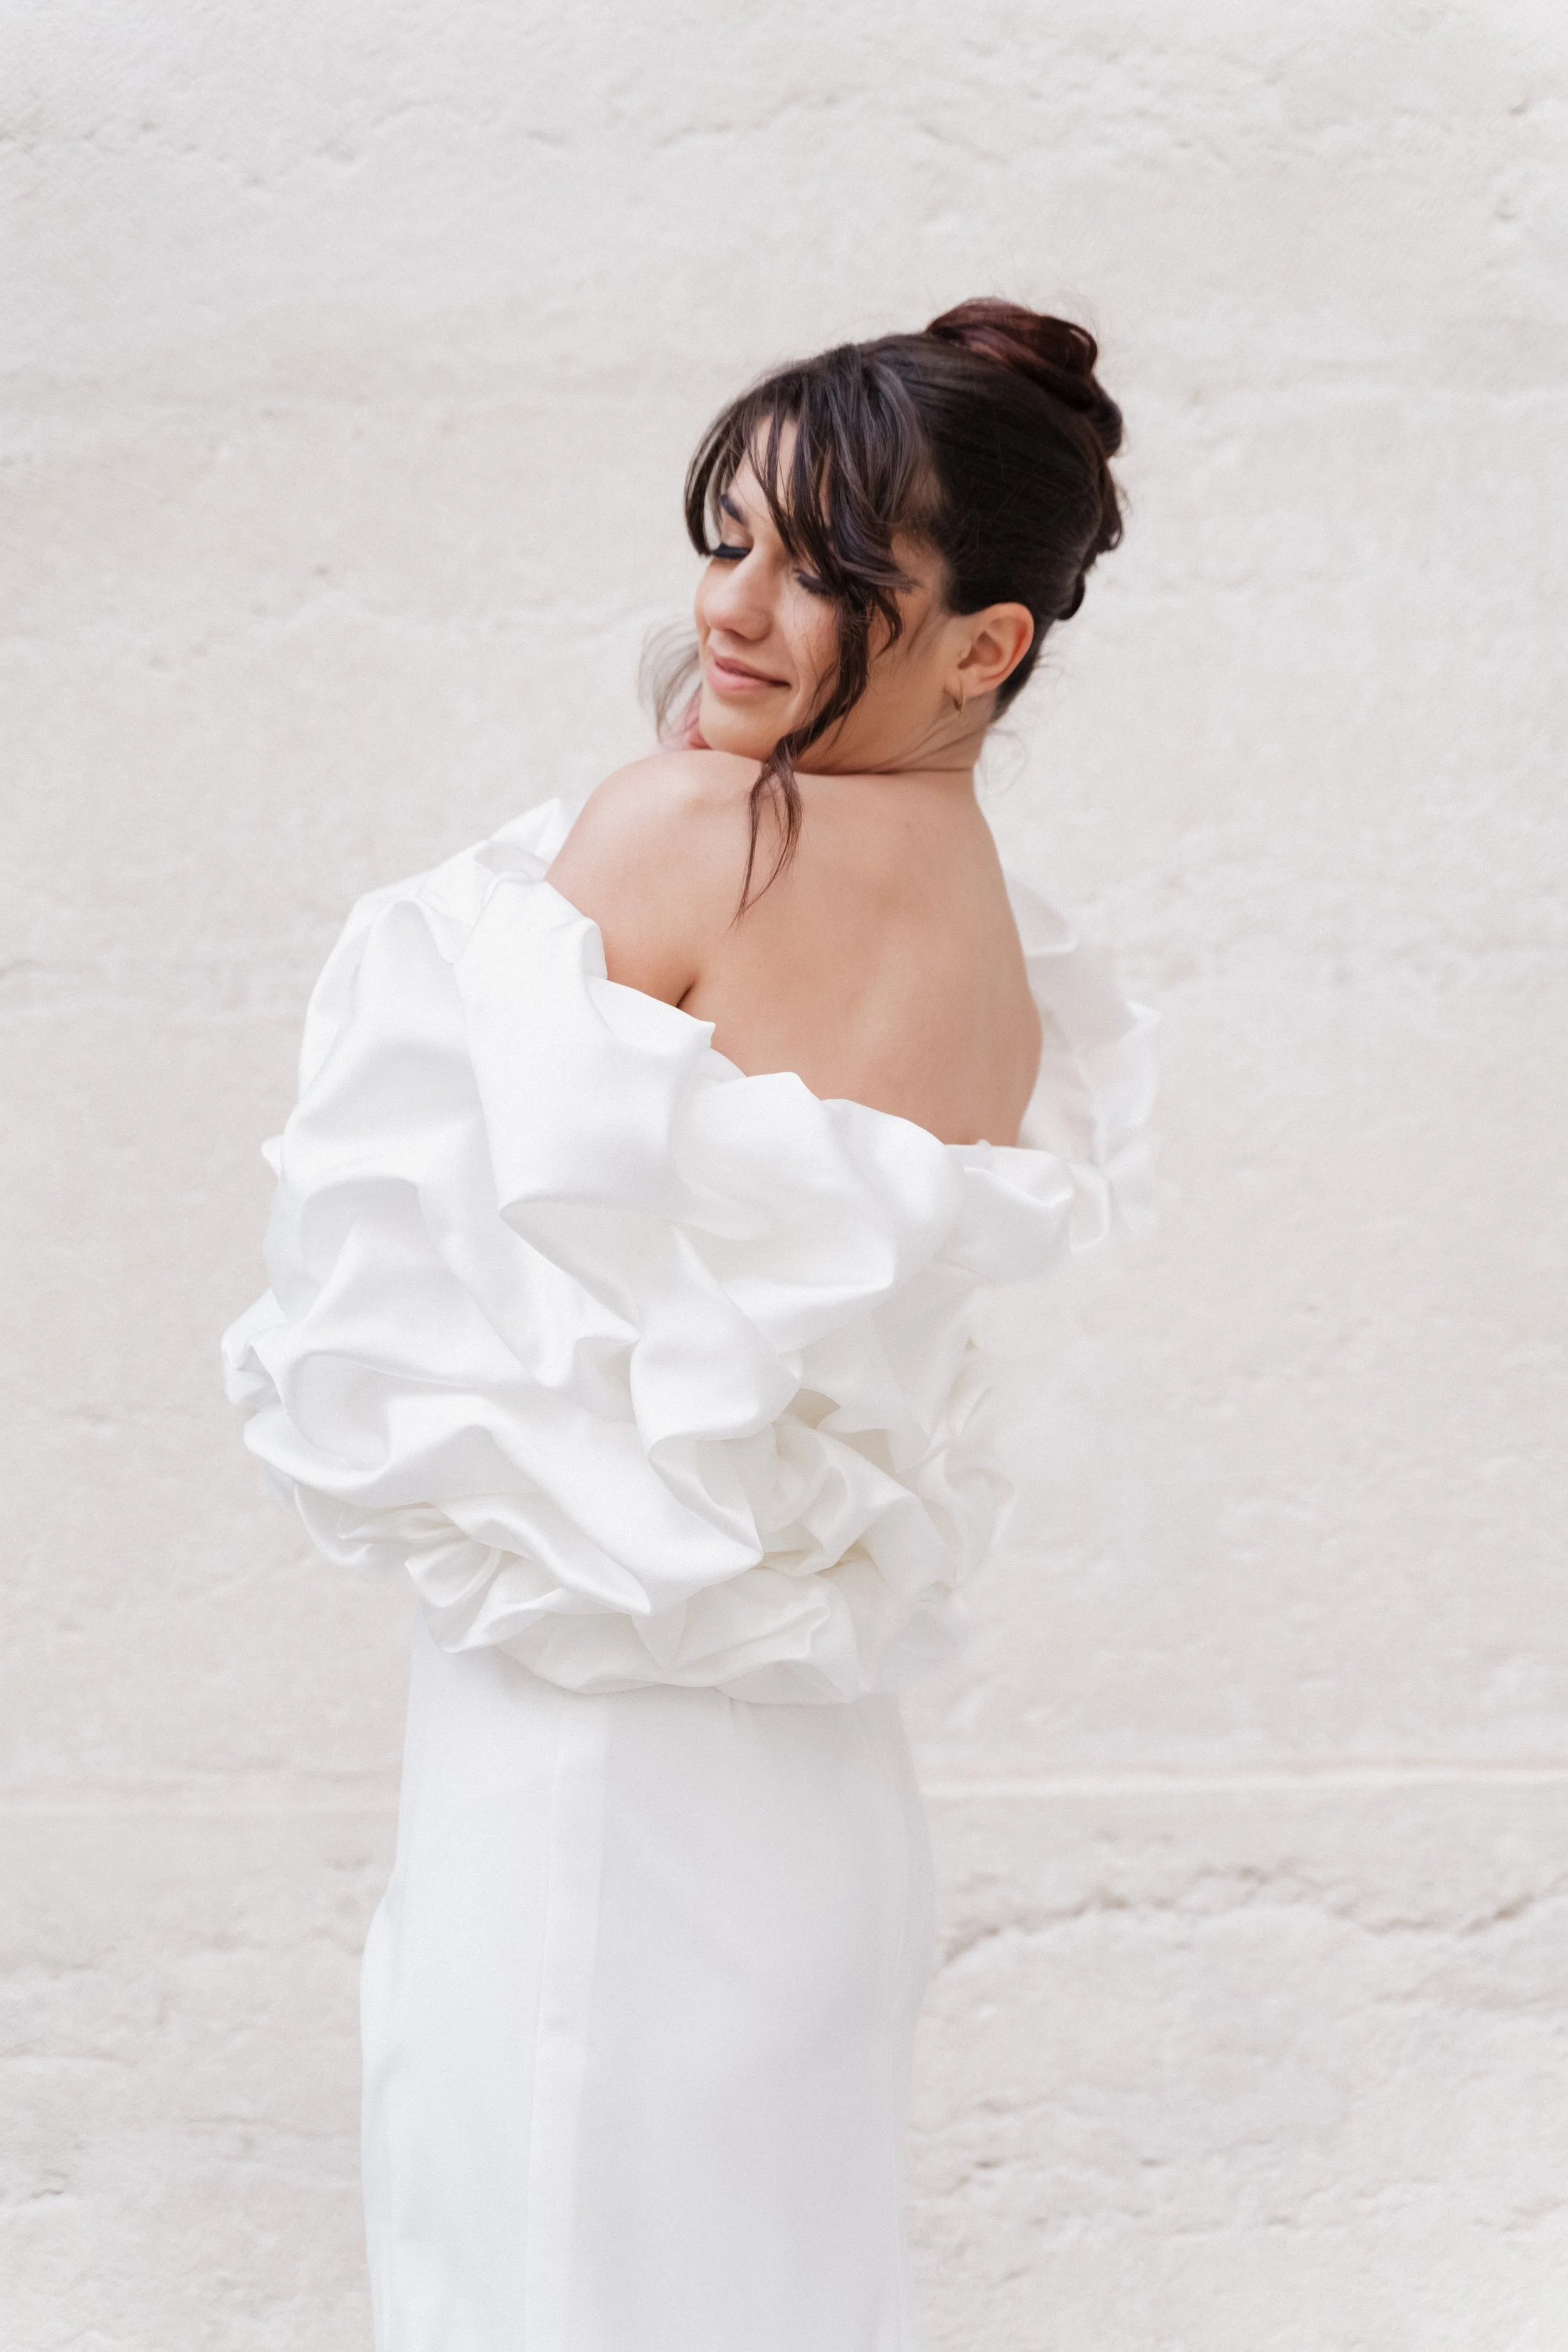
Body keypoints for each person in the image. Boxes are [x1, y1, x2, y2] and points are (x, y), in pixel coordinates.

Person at [221, 298, 1154, 2352]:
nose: (730, 607)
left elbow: (394, 1228)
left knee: (528, 2249)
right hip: (810, 1770)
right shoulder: (998, 944)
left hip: (585, 1731)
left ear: (984, 643)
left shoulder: (689, 832)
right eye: (723, 540)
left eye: (818, 571)